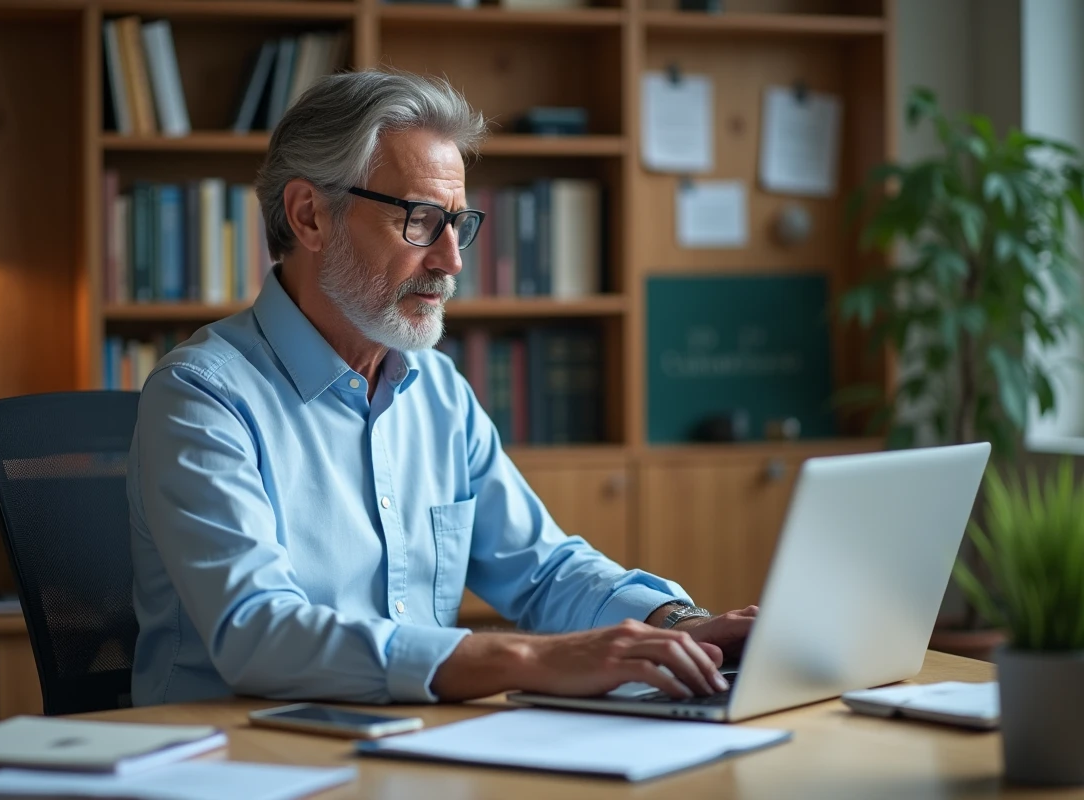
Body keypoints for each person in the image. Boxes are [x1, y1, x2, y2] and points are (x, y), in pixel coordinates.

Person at [128, 70, 757, 707]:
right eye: (421, 221)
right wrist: (525, 657)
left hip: (411, 746)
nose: (452, 259)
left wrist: (679, 626)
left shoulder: (437, 391)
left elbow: (541, 571)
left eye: (457, 223)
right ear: (309, 215)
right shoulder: (200, 398)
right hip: (235, 759)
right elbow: (259, 635)